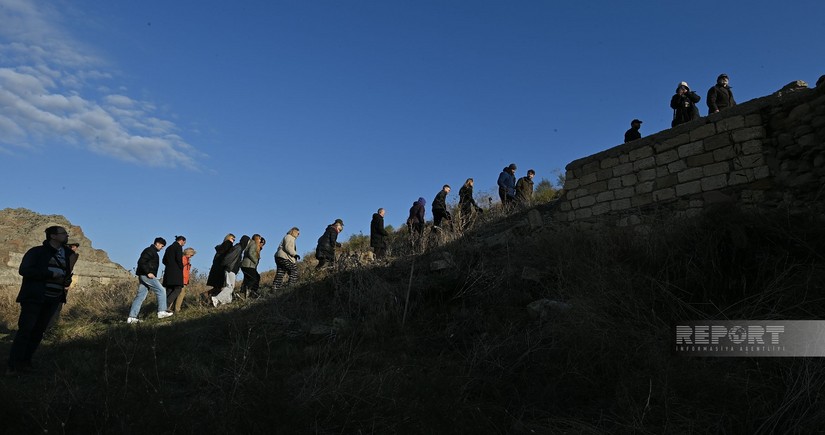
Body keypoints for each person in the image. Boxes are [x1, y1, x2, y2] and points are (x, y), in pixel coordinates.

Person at [7, 226, 75, 375]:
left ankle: (26, 363)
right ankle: (13, 366)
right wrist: (50, 274)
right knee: (25, 330)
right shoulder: (36, 252)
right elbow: (24, 270)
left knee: (38, 332)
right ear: (53, 236)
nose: (66, 235)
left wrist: (66, 280)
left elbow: (66, 273)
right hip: (35, 297)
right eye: (63, 233)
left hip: (54, 298)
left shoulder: (69, 254)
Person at [127, 237, 174, 324]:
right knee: (161, 290)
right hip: (147, 275)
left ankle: (131, 318)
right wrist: (148, 272)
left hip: (144, 275)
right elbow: (141, 262)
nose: (162, 248)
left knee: (140, 297)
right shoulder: (149, 251)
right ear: (157, 243)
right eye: (162, 246)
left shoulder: (152, 251)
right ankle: (162, 311)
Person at [47, 238, 80, 331]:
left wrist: (67, 283)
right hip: (55, 286)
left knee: (55, 308)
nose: (74, 248)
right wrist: (66, 283)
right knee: (51, 308)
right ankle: (47, 329)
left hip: (60, 286)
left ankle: (49, 329)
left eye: (75, 247)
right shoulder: (61, 256)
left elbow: (68, 271)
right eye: (71, 246)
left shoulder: (70, 256)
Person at [212, 235, 249, 306]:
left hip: (231, 269)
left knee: (230, 287)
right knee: (229, 287)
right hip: (230, 269)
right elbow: (228, 257)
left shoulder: (239, 248)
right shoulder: (238, 248)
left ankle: (224, 302)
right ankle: (216, 299)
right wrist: (226, 266)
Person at [203, 234, 235, 305]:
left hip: (216, 268)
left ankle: (208, 301)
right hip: (220, 268)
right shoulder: (228, 244)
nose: (233, 241)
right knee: (219, 287)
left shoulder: (221, 247)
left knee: (218, 287)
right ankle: (206, 296)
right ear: (228, 238)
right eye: (233, 239)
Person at [162, 236, 186, 311]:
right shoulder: (178, 247)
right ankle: (166, 305)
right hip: (176, 272)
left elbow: (164, 260)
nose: (184, 244)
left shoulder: (169, 248)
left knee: (169, 290)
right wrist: (181, 267)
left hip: (168, 272)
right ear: (182, 240)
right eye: (184, 242)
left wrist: (169, 265)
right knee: (177, 289)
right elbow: (179, 259)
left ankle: (161, 306)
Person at [171, 247, 196, 312]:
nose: (191, 257)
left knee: (178, 294)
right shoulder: (184, 259)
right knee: (180, 294)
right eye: (191, 255)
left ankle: (172, 308)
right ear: (188, 253)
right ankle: (176, 309)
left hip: (184, 280)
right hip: (182, 280)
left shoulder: (185, 259)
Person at [240, 234, 262, 298]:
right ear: (257, 239)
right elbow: (250, 253)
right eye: (260, 239)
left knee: (248, 279)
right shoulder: (253, 244)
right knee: (255, 278)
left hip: (245, 265)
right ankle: (251, 292)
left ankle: (244, 292)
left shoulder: (250, 244)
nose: (260, 240)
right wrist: (255, 260)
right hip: (248, 265)